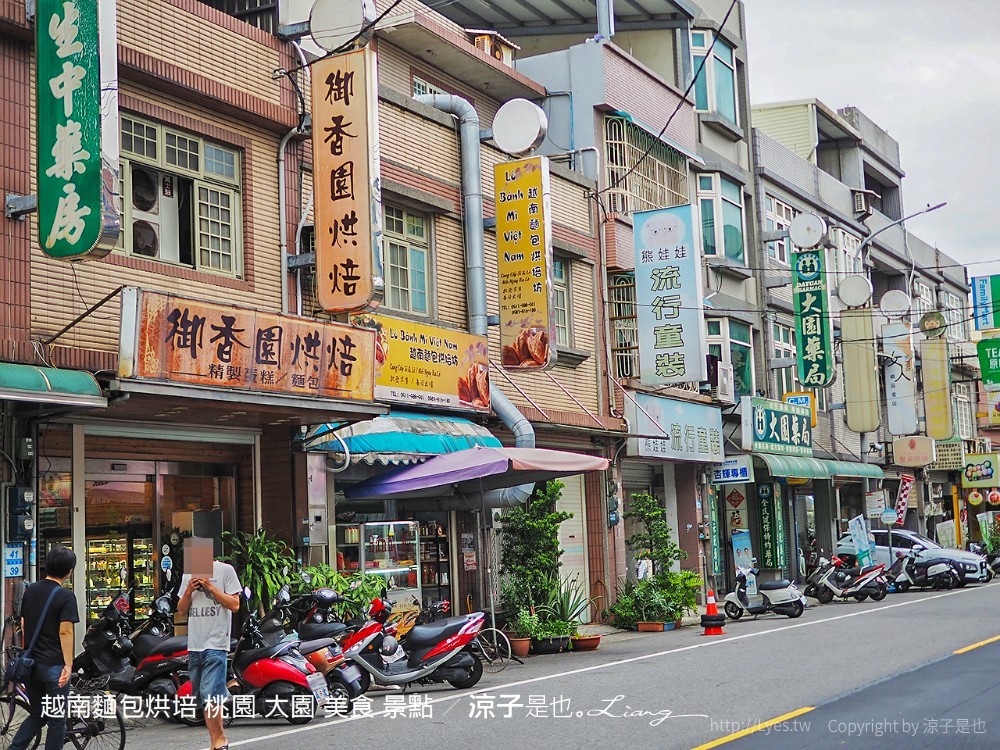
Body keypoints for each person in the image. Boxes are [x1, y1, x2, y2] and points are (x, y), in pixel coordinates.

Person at [11, 545, 79, 750]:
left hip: (32, 666)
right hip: (54, 666)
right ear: (69, 571)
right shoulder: (66, 596)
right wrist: (68, 664)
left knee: (39, 713)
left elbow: (23, 624)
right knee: (57, 719)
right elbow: (65, 632)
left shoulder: (30, 590)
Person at [177, 538, 242, 750]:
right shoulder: (189, 575)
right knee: (205, 694)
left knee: (208, 694)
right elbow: (181, 610)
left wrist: (210, 587)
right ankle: (217, 739)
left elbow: (234, 605)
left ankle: (219, 739)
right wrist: (188, 590)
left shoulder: (225, 571)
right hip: (195, 644)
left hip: (216, 642)